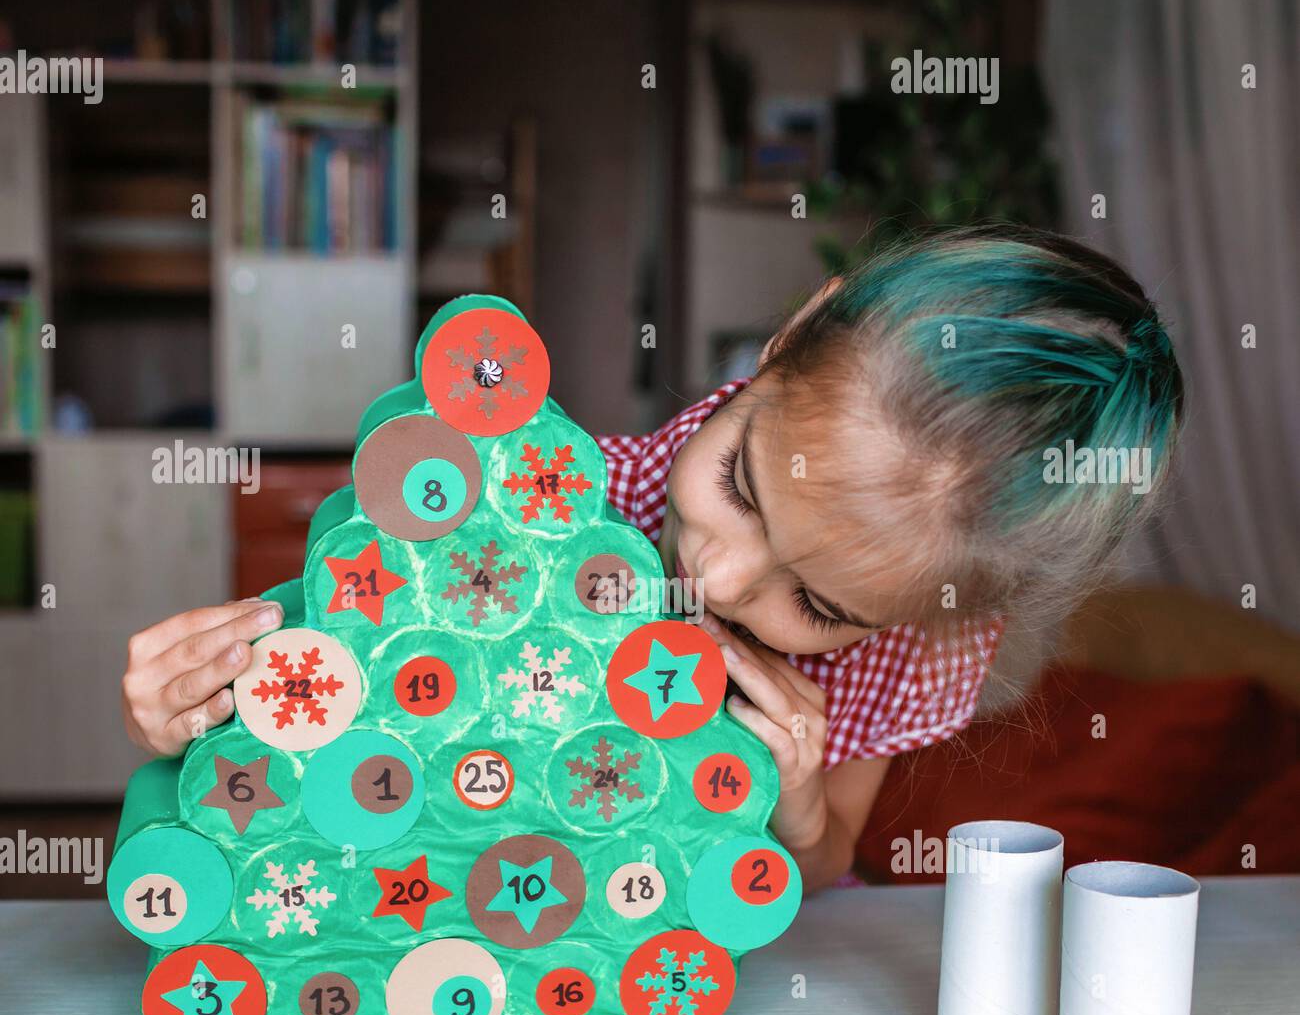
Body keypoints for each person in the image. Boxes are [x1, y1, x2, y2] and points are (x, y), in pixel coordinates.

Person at [121, 224, 1185, 892]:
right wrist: (199, 708)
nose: (717, 582)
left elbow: (821, 870)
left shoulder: (912, 651)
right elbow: (344, 702)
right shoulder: (552, 495)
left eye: (815, 602)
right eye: (737, 487)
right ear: (791, 337)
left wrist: (800, 801)